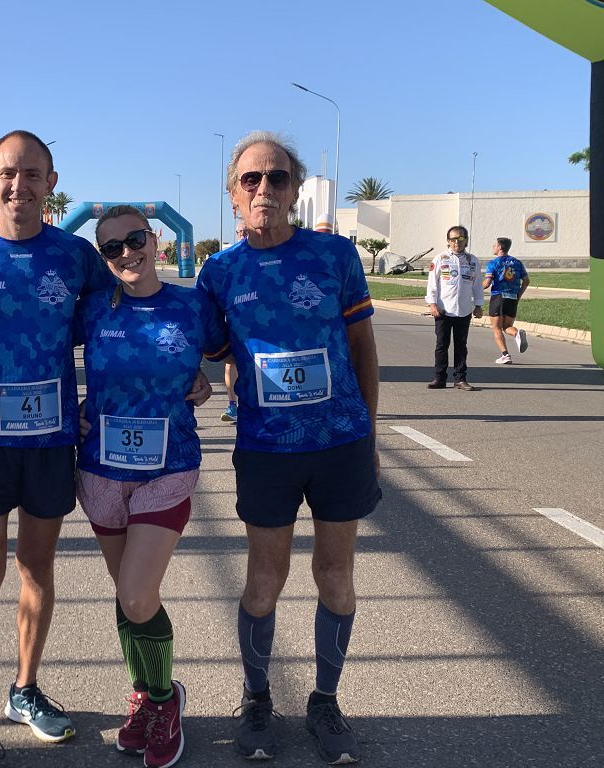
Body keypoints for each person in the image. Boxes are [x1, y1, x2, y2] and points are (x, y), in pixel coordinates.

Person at [0, 130, 116, 767]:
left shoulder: (76, 257)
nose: (19, 186)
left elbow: (116, 330)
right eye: (9, 173)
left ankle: (24, 689)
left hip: (50, 444)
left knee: (38, 570)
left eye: (33, 174)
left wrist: (151, 388)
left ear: (51, 182)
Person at [196, 131, 381, 765]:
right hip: (266, 449)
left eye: (277, 178)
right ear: (233, 194)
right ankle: (256, 697)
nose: (264, 189)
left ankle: (325, 700)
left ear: (296, 189)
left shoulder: (334, 255)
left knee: (335, 574)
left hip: (340, 443)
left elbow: (362, 349)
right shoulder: (217, 272)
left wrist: (370, 432)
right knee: (264, 579)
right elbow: (213, 352)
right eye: (251, 180)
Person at [76, 205, 228, 768]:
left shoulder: (193, 305)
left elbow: (227, 353)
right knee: (127, 596)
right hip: (100, 469)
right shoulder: (92, 309)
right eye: (110, 248)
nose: (125, 254)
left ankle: (165, 699)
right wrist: (72, 413)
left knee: (138, 593)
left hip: (170, 467)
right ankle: (144, 694)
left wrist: (206, 384)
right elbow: (38, 352)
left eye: (133, 239)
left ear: (154, 237)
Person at [425, 226, 484, 390]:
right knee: (441, 345)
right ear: (448, 241)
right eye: (453, 239)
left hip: (464, 310)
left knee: (461, 346)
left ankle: (460, 379)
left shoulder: (472, 260)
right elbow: (432, 284)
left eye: (460, 239)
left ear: (466, 240)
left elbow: (477, 284)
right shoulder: (440, 259)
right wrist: (432, 303)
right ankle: (439, 378)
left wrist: (478, 305)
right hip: (443, 310)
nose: (456, 242)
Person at [483, 237, 529, 364]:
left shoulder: (494, 263)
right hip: (513, 297)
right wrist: (518, 294)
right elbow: (526, 280)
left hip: (498, 297)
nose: (493, 247)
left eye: (495, 245)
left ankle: (505, 355)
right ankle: (517, 333)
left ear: (500, 247)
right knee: (507, 326)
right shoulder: (517, 263)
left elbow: (487, 283)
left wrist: (474, 288)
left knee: (496, 328)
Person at [221, 221, 248, 424]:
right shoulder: (228, 260)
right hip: (233, 324)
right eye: (239, 232)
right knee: (230, 365)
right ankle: (232, 405)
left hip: (257, 327)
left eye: (244, 231)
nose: (241, 235)